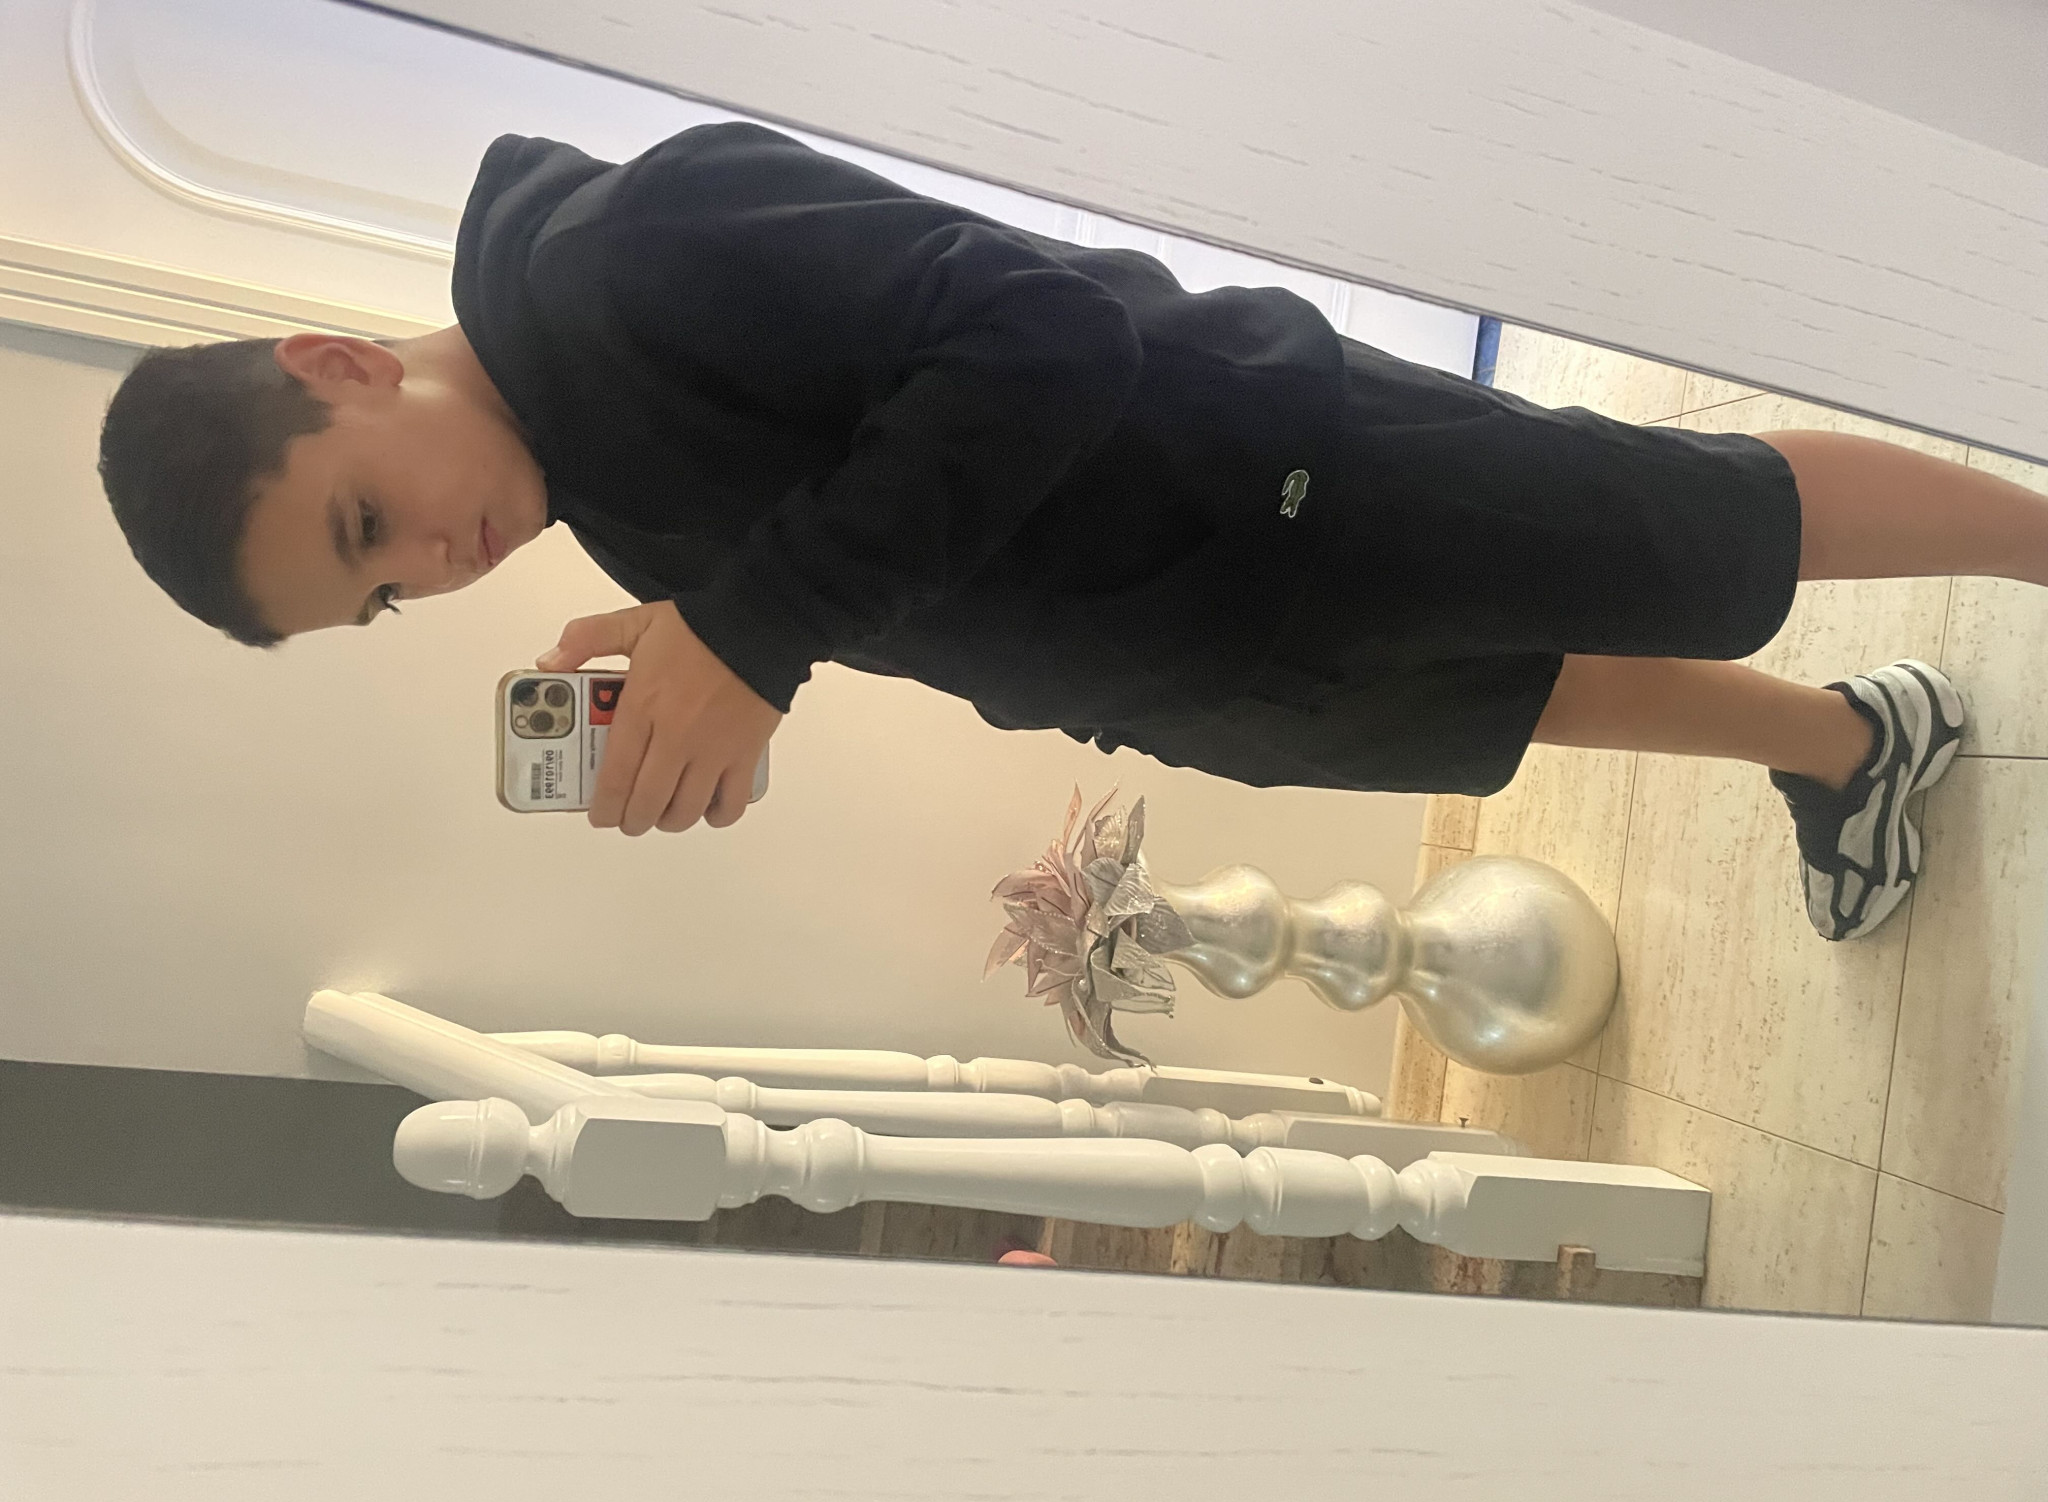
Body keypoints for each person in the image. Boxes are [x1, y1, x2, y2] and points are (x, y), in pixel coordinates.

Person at [96, 122, 2038, 943]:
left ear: (342, 364)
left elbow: (1044, 336)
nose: (428, 571)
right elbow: (886, 542)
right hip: (1181, 651)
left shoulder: (636, 245)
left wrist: (753, 622)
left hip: (1278, 474)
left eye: (367, 520)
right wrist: (720, 660)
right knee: (1525, 695)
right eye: (377, 594)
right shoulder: (594, 486)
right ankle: (1848, 749)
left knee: (1696, 527)